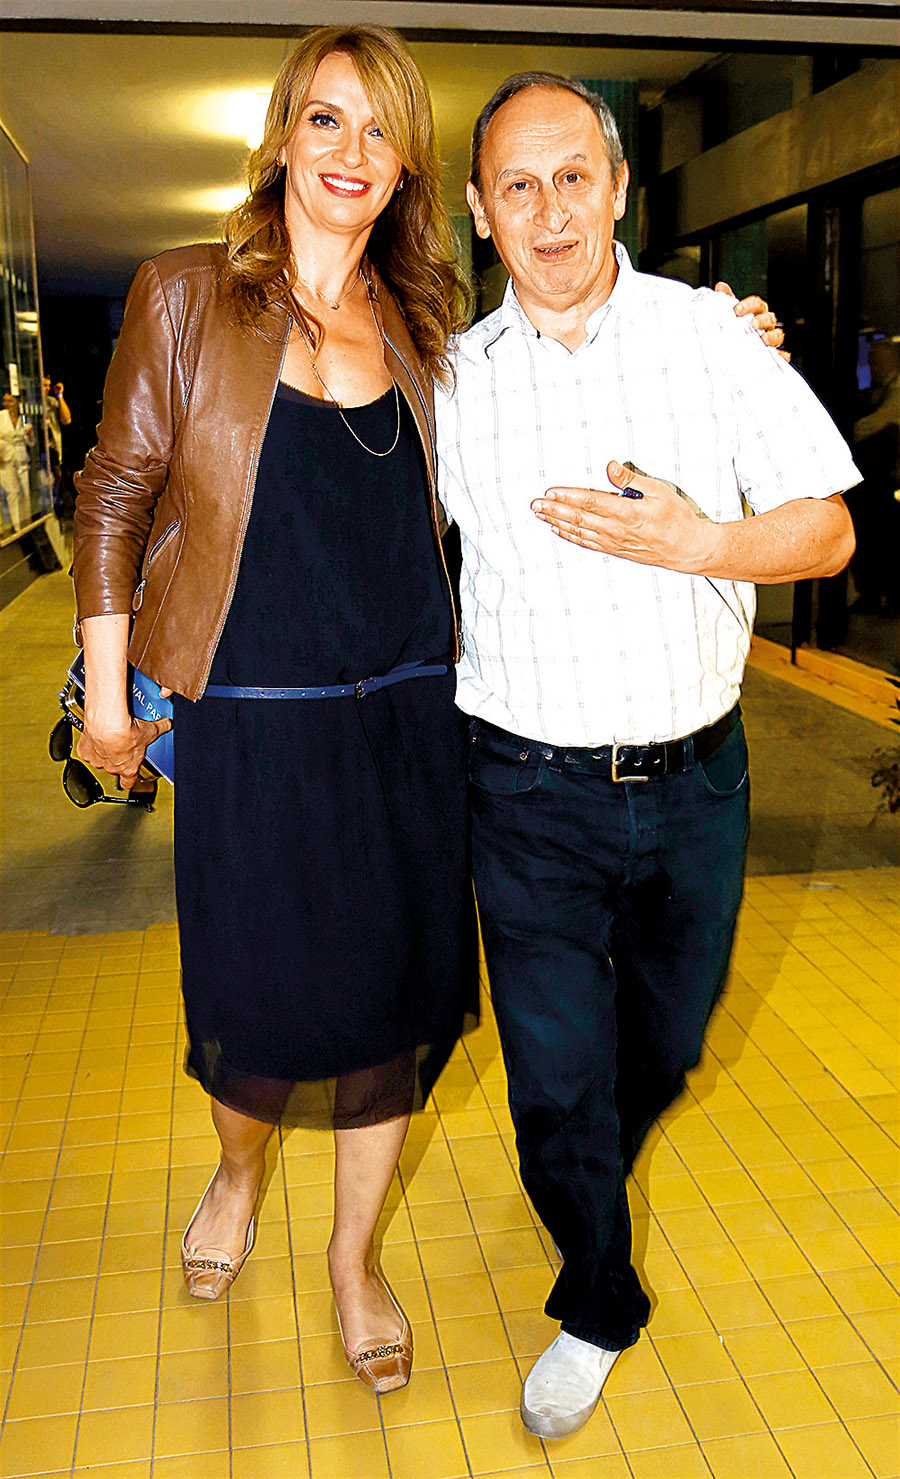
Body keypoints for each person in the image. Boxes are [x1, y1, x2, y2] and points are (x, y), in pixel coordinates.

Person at [437, 72, 858, 1439]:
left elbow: (829, 531)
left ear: (619, 188)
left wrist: (702, 540)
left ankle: (581, 1158)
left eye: (574, 176)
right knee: (557, 1072)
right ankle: (598, 1294)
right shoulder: (447, 380)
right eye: (518, 185)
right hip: (524, 791)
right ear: (480, 212)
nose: (550, 209)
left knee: (664, 1048)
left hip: (698, 788)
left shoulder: (715, 340)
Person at [72, 24, 477, 1396]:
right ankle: (238, 1175)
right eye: (327, 120)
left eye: (381, 128)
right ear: (284, 137)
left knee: (393, 1013)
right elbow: (114, 494)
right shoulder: (188, 294)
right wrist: (110, 694)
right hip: (253, 722)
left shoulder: (424, 327)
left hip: (408, 719)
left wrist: (725, 332)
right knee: (251, 1018)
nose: (352, 151)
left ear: (406, 163)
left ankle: (354, 1259)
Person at [0, 391, 34, 530]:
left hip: (21, 459)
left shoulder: (23, 418)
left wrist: (29, 434)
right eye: (5, 401)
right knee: (12, 493)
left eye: (10, 401)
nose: (7, 404)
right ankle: (16, 526)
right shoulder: (1, 416)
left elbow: (31, 442)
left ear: (17, 402)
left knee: (25, 493)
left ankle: (26, 524)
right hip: (6, 459)